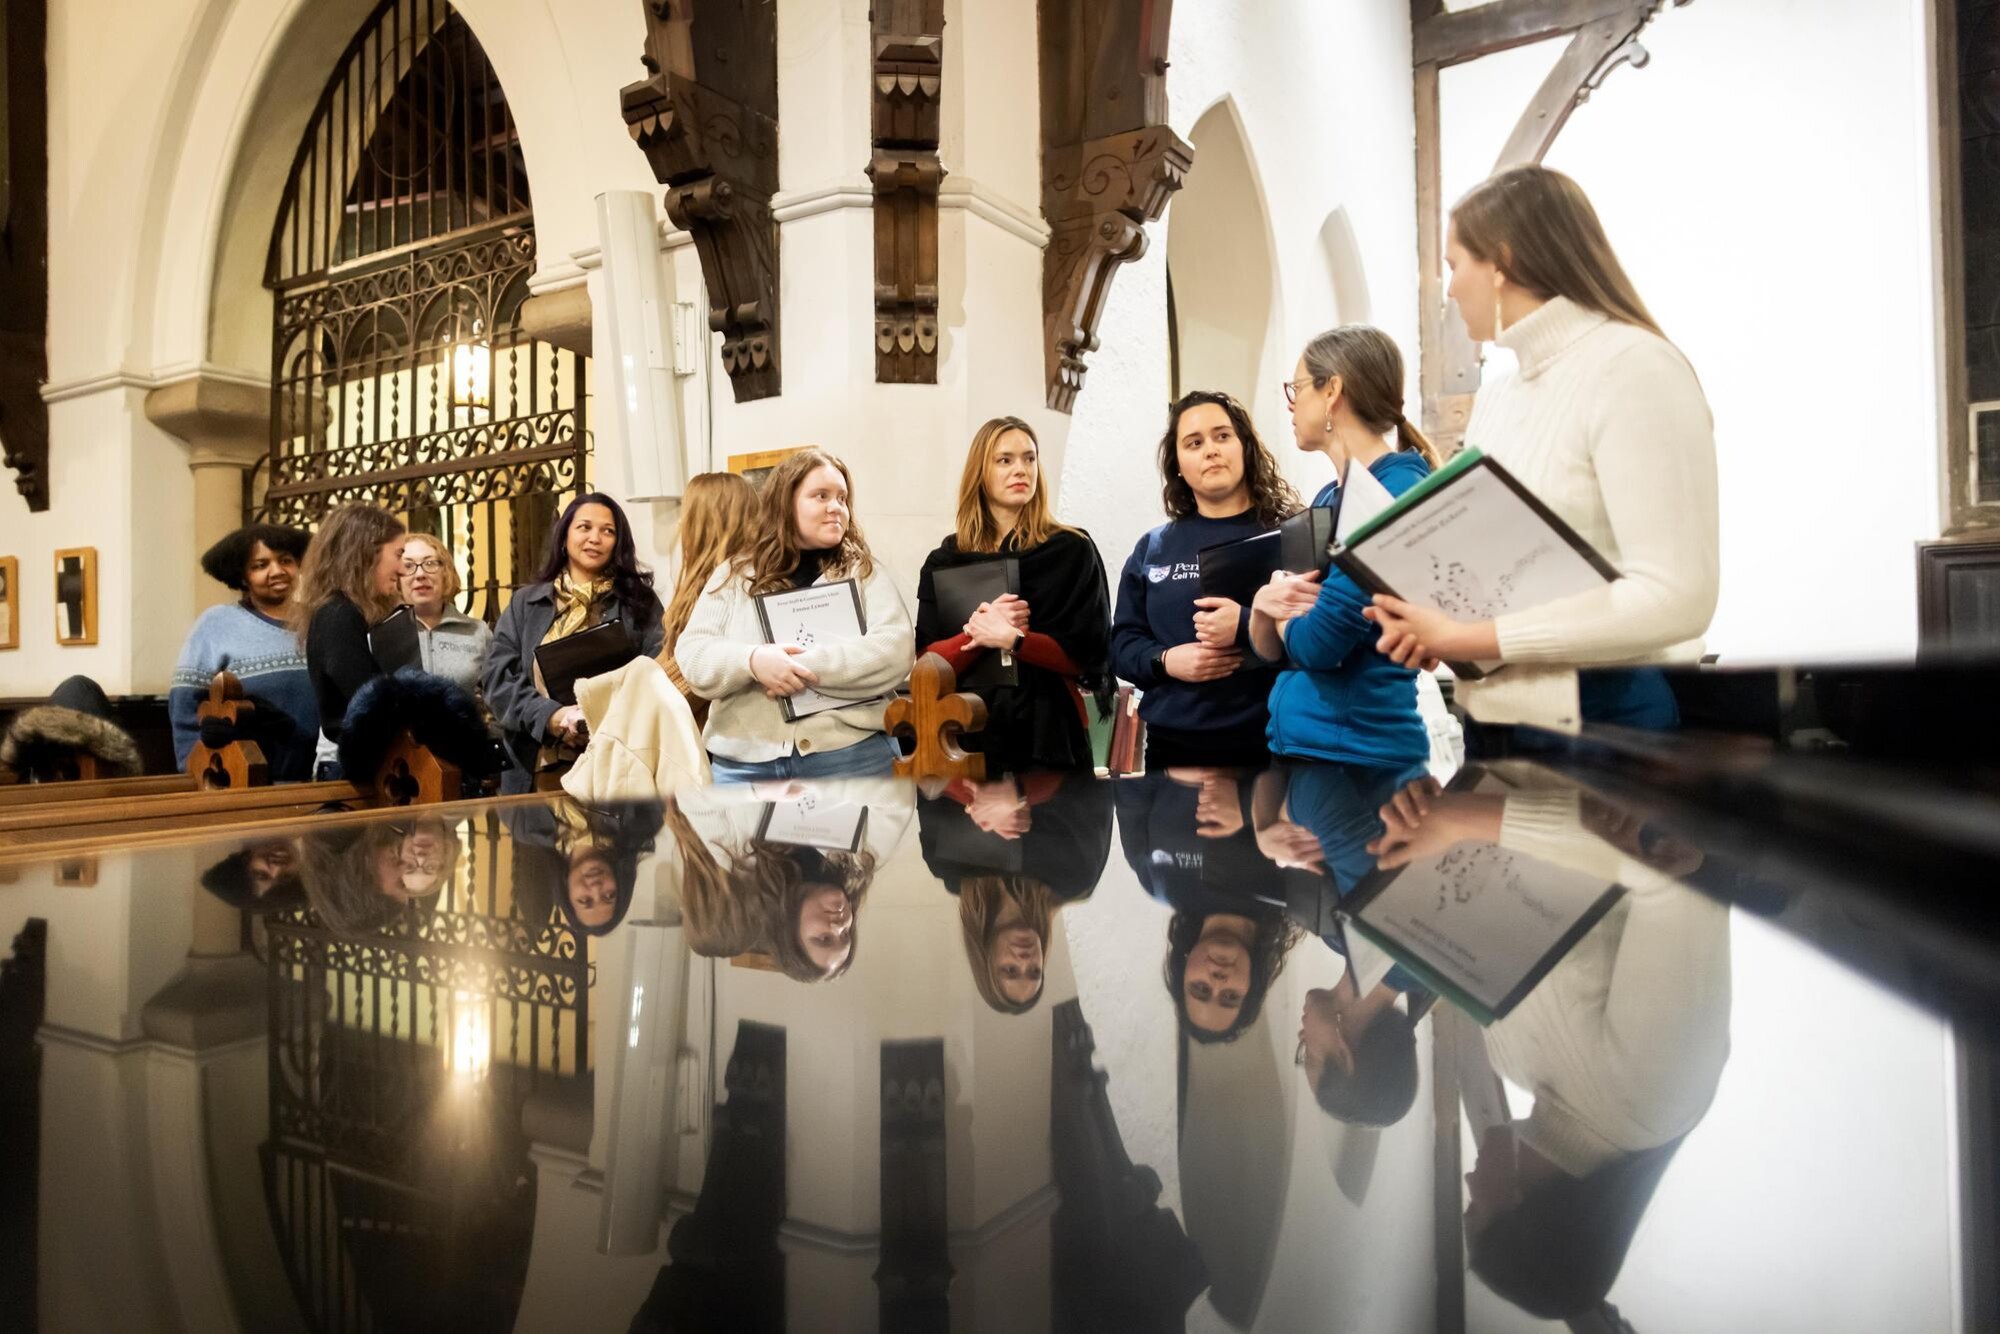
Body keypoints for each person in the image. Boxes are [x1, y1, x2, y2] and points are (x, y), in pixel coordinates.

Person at [1365, 164, 1718, 734]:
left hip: (1606, 715)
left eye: (1455, 266)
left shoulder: (1634, 368)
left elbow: (1677, 596)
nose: (1449, 289)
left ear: (1501, 260)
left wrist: (1471, 636)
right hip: (1496, 715)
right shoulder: (1500, 394)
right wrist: (1441, 627)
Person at [1248, 328, 1438, 767]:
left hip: (1357, 754)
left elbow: (1317, 645)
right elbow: (1272, 649)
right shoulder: (1327, 498)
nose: (1291, 403)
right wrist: (1264, 604)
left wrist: (1278, 608)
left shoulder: (1393, 492)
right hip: (1305, 746)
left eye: (1297, 388)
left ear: (1331, 389)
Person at [677, 449, 914, 782]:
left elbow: (894, 651)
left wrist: (797, 668)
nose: (837, 507)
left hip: (849, 759)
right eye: (821, 496)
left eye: (842, 498)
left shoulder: (863, 572)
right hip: (746, 767)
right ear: (785, 503)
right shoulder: (735, 574)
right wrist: (753, 661)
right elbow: (694, 655)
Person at [1110, 391, 1302, 768]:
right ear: (1178, 464)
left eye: (1222, 436)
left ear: (1245, 447)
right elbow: (1122, 644)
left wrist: (1247, 624)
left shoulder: (1292, 535)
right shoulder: (1153, 548)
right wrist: (1165, 660)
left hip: (1269, 747)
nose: (1210, 450)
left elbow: (1319, 634)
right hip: (1172, 750)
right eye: (1194, 443)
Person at [915, 417, 1111, 772]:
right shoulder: (944, 560)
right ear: (981, 472)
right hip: (965, 731)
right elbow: (926, 664)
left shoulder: (1071, 549)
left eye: (1029, 458)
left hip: (1049, 735)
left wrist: (1013, 638)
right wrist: (976, 633)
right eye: (1005, 460)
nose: (1021, 469)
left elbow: (1087, 655)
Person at [484, 492, 666, 793]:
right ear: (564, 535)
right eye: (584, 527)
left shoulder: (640, 603)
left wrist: (601, 720)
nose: (595, 537)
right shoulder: (526, 604)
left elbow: (656, 672)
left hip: (618, 768)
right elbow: (497, 679)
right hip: (538, 769)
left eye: (608, 531)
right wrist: (553, 717)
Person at [916, 770, 1113, 1012]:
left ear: (986, 962)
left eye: (1010, 970)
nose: (1025, 960)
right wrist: (1019, 793)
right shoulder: (1076, 878)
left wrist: (978, 802)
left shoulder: (950, 869)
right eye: (1034, 971)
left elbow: (928, 784)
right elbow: (1095, 784)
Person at [169, 523, 319, 780]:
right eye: (260, 565)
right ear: (242, 576)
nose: (277, 571)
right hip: (247, 779)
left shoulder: (320, 619)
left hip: (321, 777)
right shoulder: (215, 624)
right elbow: (185, 708)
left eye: (286, 560)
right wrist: (196, 771)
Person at [291, 503, 407, 780]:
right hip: (350, 769)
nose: (403, 569)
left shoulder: (345, 612)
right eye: (399, 554)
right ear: (367, 552)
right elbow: (368, 696)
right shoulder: (338, 614)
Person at [659, 472, 759, 729]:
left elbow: (690, 679)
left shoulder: (735, 587)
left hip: (709, 739)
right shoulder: (699, 581)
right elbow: (669, 658)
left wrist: (626, 704)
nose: (681, 522)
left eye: (687, 512)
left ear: (704, 522)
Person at [396, 532, 492, 697]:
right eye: (408, 566)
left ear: (446, 572)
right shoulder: (381, 634)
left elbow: (499, 695)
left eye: (430, 563)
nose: (420, 575)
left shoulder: (477, 632)